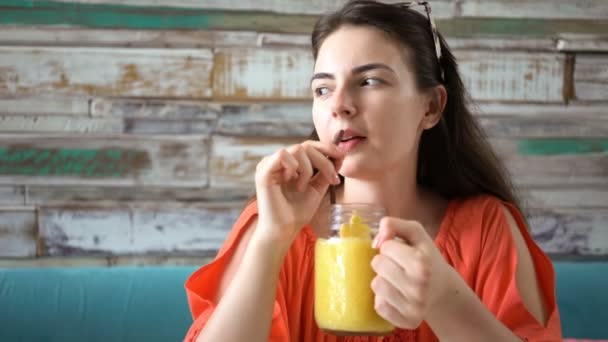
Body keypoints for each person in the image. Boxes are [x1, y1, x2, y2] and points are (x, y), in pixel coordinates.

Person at [183, 1, 562, 341]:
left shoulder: (485, 229)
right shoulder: (274, 223)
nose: (340, 106)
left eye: (368, 81)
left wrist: (446, 298)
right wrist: (271, 239)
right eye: (322, 90)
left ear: (430, 106)